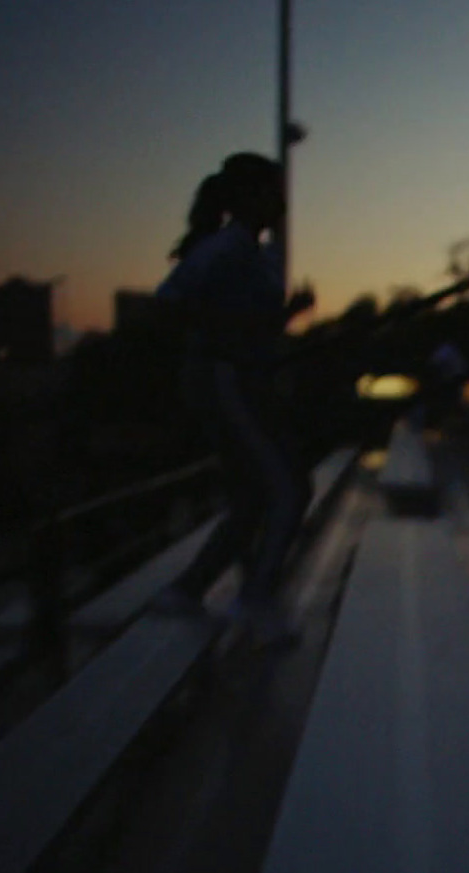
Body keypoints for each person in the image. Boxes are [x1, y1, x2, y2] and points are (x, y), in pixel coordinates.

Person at [149, 152, 316, 648]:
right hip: (227, 380)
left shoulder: (255, 254)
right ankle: (255, 598)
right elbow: (170, 301)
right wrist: (225, 335)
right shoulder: (226, 248)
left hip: (245, 381)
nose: (281, 201)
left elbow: (251, 323)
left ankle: (187, 589)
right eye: (272, 191)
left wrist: (286, 315)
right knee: (289, 489)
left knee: (252, 497)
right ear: (248, 197)